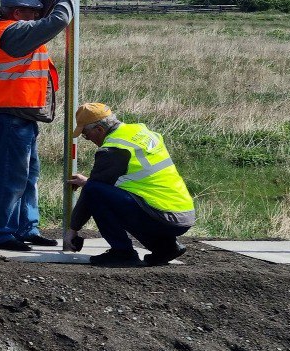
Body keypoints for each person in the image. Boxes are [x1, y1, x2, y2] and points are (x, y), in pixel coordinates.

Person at [0, 0, 81, 250]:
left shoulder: (14, 26)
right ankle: (2, 233)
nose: (36, 15)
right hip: (11, 116)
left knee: (28, 175)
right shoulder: (13, 34)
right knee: (13, 177)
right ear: (17, 14)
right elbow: (57, 19)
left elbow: (44, 11)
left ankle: (27, 227)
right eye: (31, 13)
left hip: (21, 115)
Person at [66, 103, 195, 267]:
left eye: (86, 134)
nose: (88, 139)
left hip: (162, 216)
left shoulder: (113, 149)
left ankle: (122, 252)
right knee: (121, 200)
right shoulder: (140, 132)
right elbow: (136, 178)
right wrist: (88, 182)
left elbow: (93, 190)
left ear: (99, 129)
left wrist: (73, 230)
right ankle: (166, 248)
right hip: (182, 214)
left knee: (94, 191)